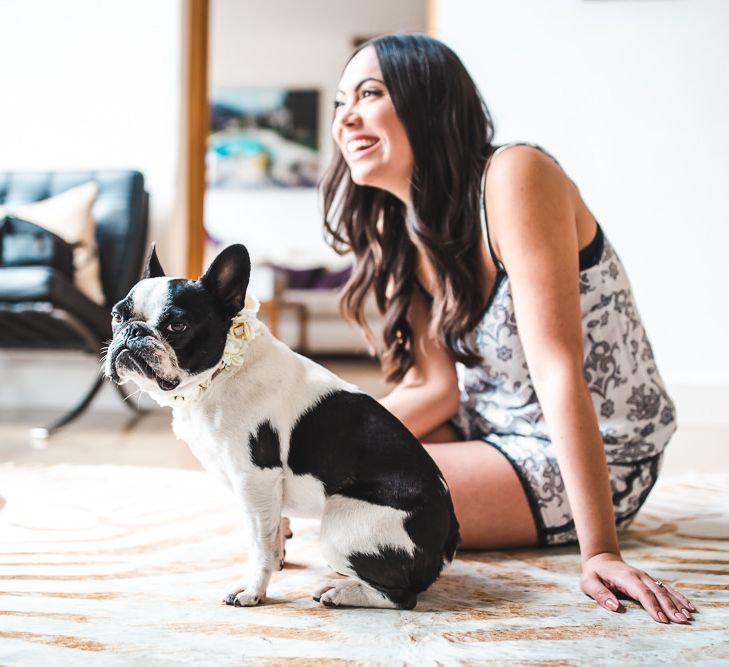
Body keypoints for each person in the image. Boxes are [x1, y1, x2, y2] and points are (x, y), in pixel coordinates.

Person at [320, 33, 695, 624]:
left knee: (350, 503)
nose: (347, 118)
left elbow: (556, 366)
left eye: (370, 93)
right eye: (340, 102)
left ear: (428, 100)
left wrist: (600, 551)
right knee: (312, 483)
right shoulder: (400, 231)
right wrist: (318, 447)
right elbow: (434, 389)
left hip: (597, 454)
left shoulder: (515, 175)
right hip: (489, 431)